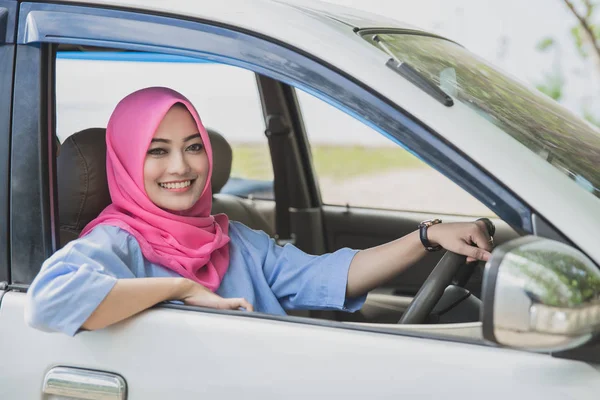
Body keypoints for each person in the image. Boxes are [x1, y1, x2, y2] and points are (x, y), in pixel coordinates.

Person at [25, 87, 493, 336]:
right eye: (156, 151)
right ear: (124, 162)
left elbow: (330, 275)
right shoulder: (114, 242)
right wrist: (183, 287)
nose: (181, 166)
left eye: (193, 147)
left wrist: (426, 236)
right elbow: (47, 303)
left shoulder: (233, 239)